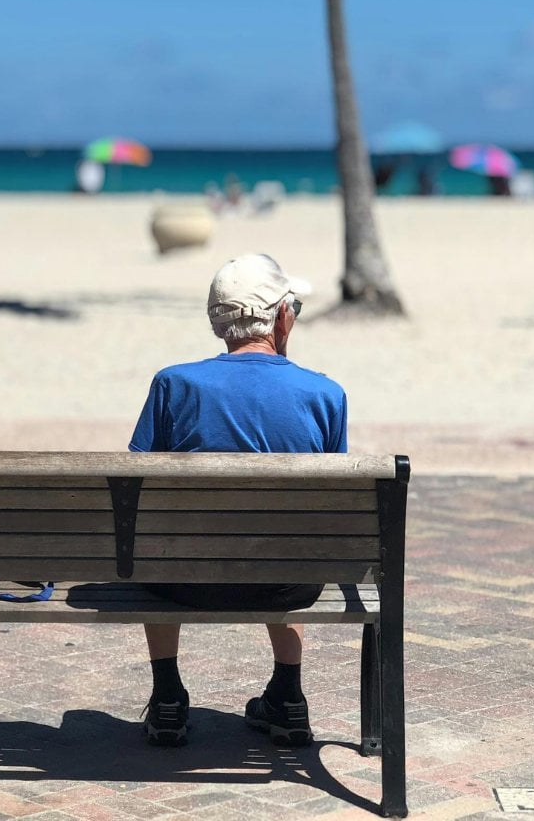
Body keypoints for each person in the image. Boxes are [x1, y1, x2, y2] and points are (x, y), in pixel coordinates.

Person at [128, 253, 347, 749]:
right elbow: (329, 509)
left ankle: (166, 695)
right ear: (281, 317)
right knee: (290, 535)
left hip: (183, 582)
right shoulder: (325, 395)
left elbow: (137, 485)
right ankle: (288, 695)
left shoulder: (174, 385)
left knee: (158, 541)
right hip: (287, 585)